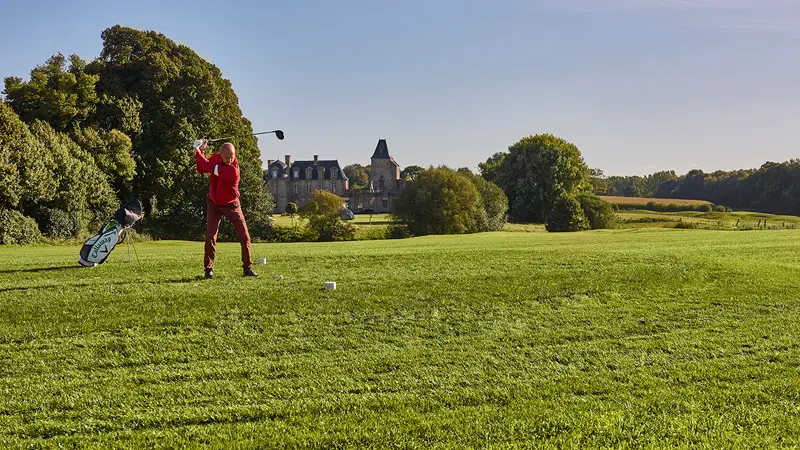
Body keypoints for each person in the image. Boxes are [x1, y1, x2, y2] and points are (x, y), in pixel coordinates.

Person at [194, 140, 258, 279]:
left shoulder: (233, 170)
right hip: (214, 204)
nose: (230, 160)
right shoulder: (216, 158)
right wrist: (201, 152)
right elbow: (201, 169)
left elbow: (209, 167)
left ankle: (247, 268)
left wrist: (197, 150)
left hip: (232, 205)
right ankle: (208, 270)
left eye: (232, 157)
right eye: (227, 157)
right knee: (210, 237)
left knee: (245, 236)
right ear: (221, 154)